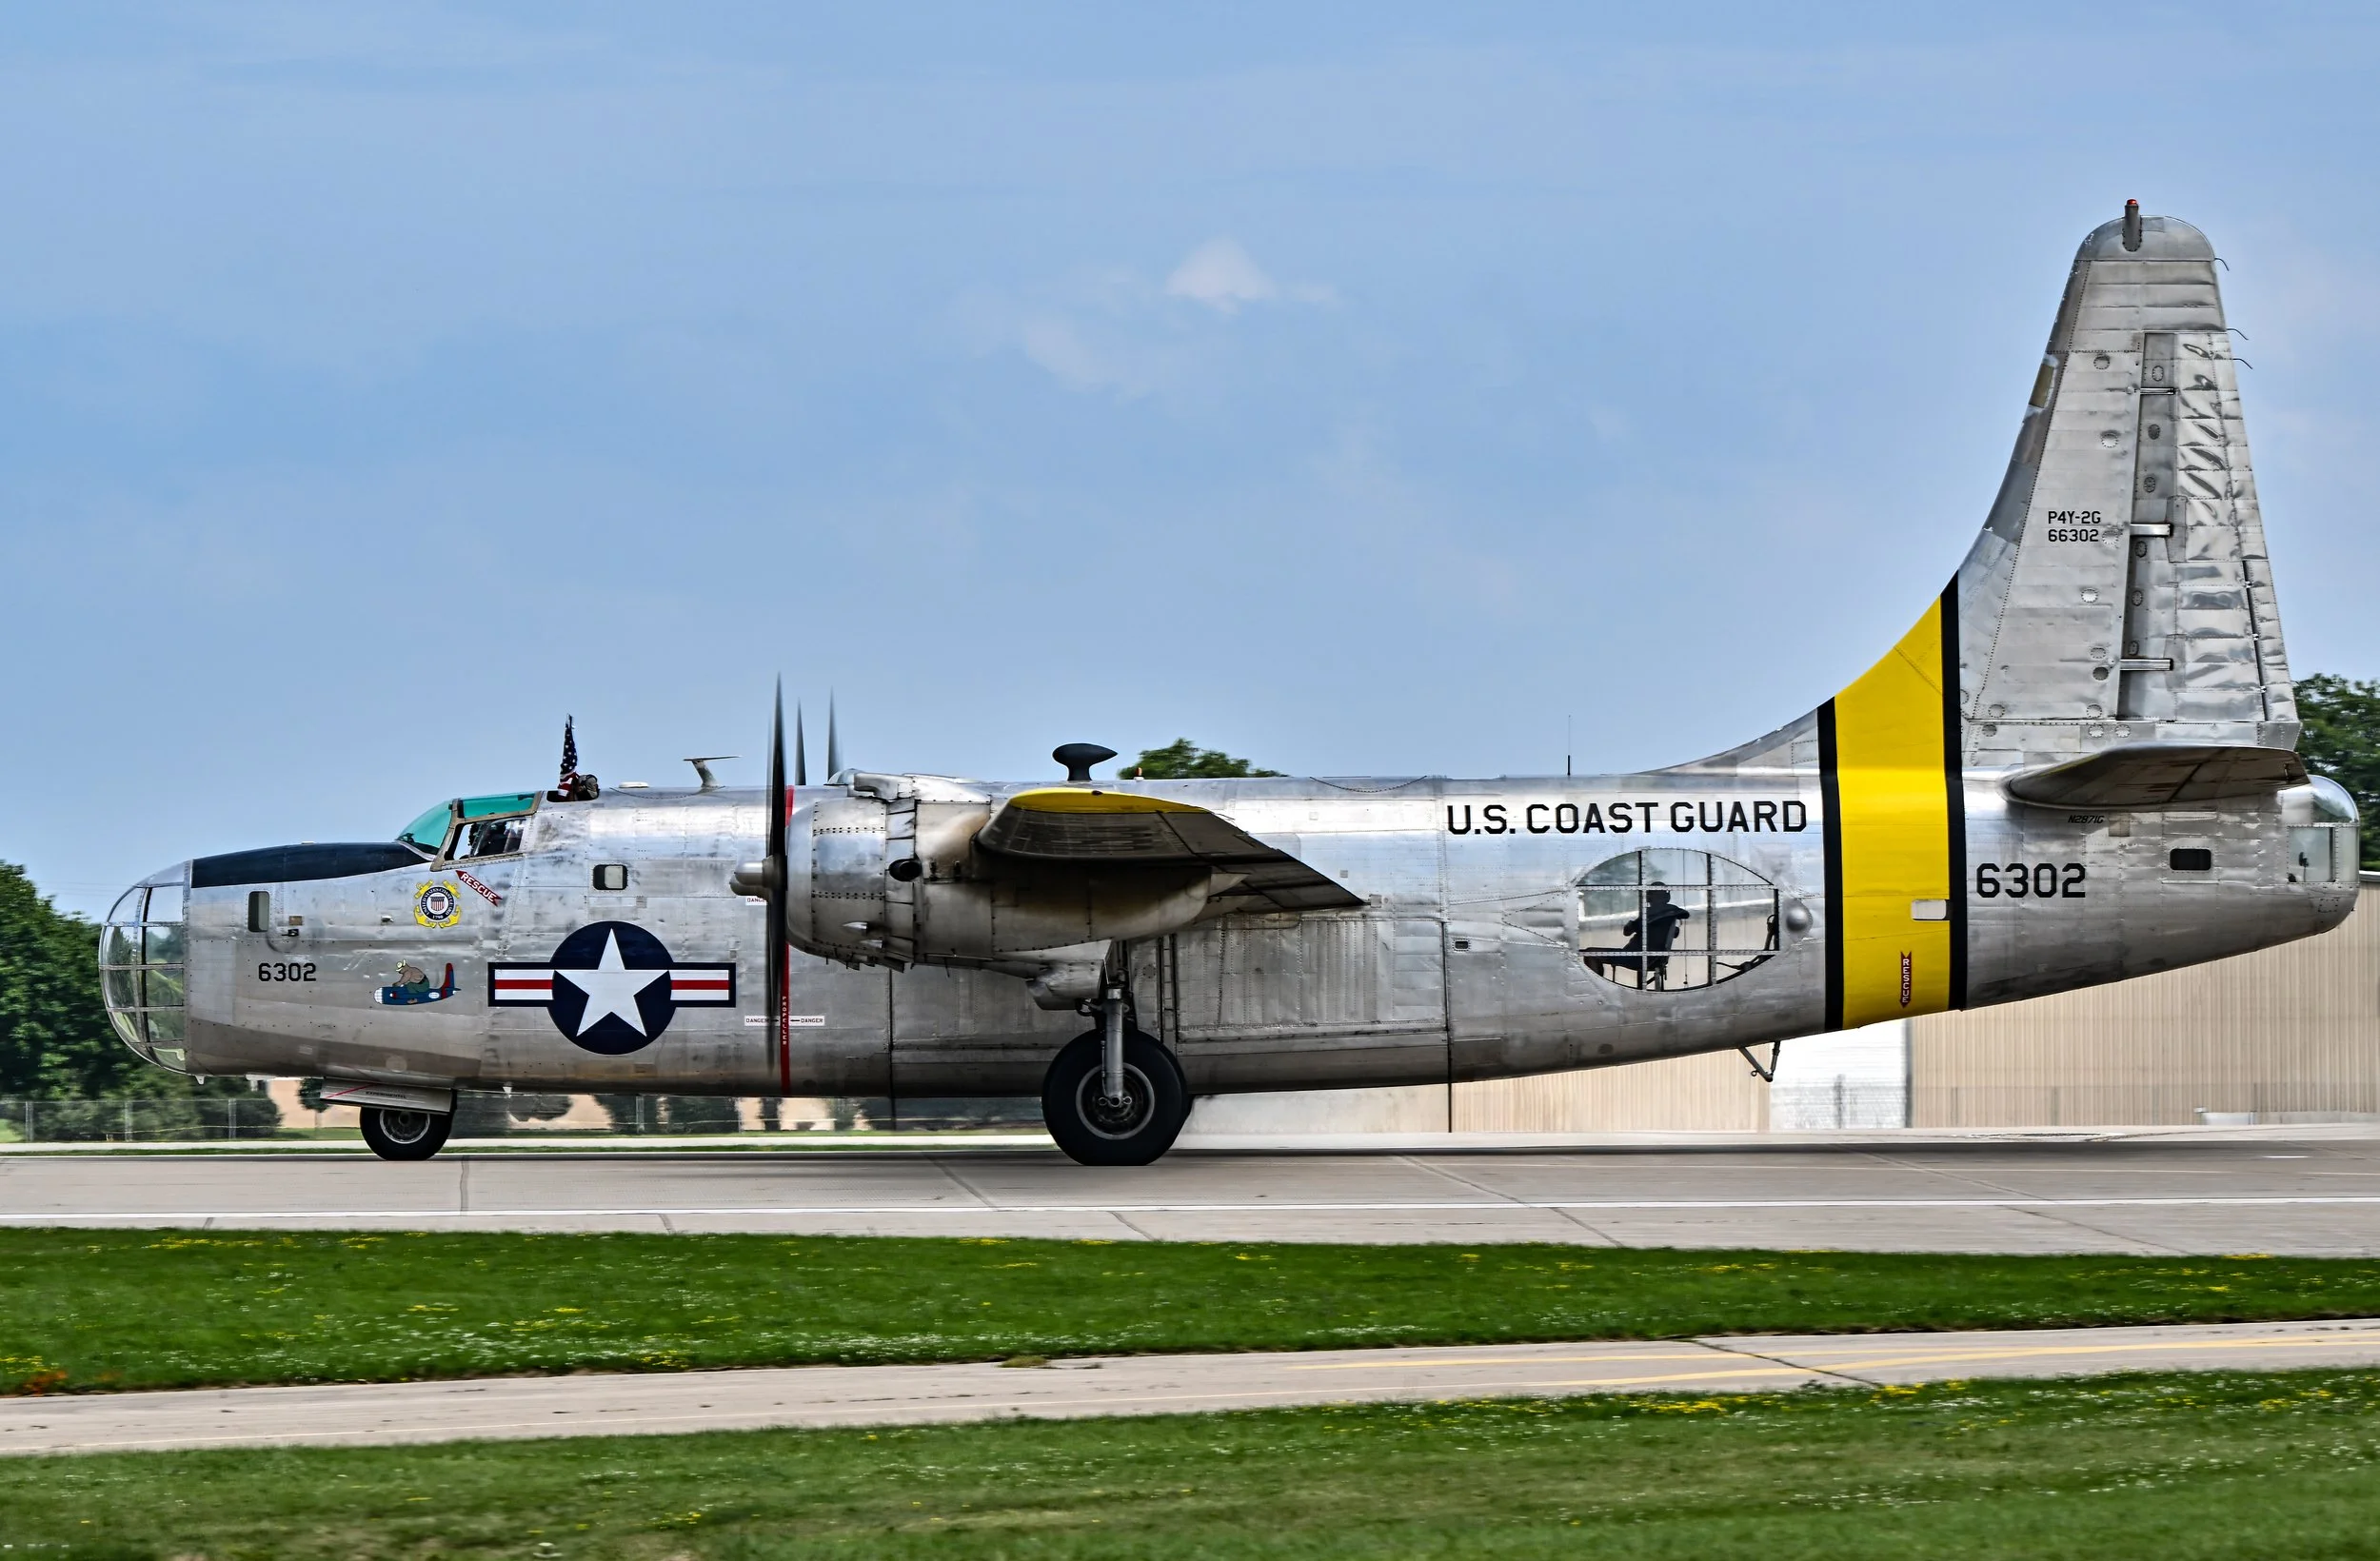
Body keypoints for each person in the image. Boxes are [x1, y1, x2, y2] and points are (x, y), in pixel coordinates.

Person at [1620, 886, 1693, 989]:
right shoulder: (1671, 911)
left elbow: (1627, 932)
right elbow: (1684, 916)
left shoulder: (1649, 913)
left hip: (1637, 957)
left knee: (1595, 954)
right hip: (1655, 958)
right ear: (1667, 897)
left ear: (1649, 898)